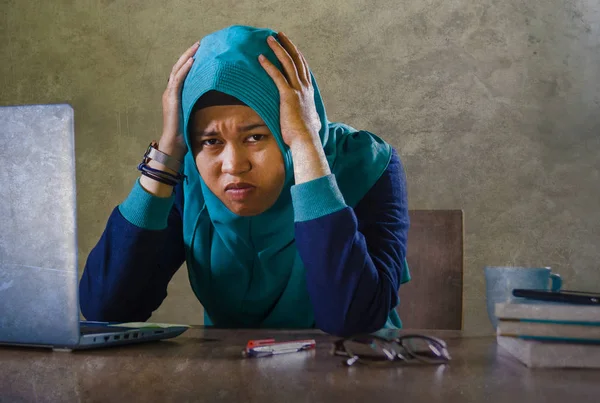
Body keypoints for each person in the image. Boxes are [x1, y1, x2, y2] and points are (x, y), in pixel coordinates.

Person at [79, 25, 411, 337]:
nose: (233, 166)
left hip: (356, 377)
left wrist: (307, 145)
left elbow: (351, 320)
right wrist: (167, 152)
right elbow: (106, 311)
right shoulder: (191, 179)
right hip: (235, 380)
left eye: (255, 137)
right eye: (210, 142)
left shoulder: (368, 164)